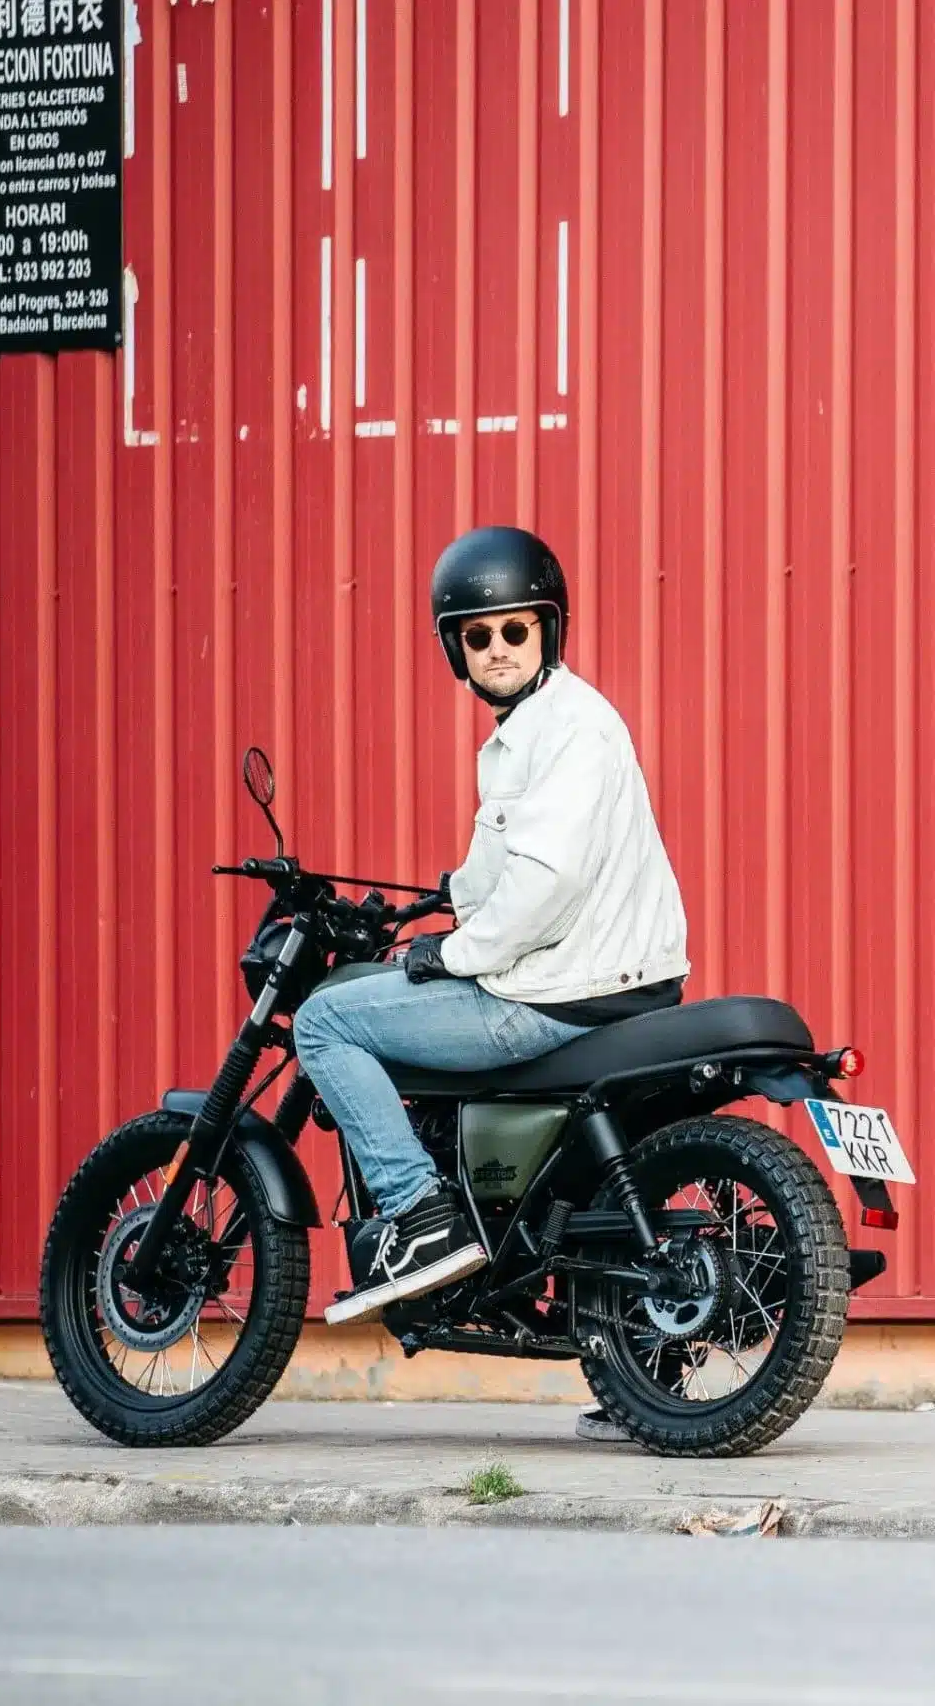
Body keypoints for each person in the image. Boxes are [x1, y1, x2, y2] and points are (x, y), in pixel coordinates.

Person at [293, 527, 690, 1446]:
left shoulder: (569, 726)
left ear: (548, 631)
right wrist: (430, 916)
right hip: (608, 976)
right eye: (480, 636)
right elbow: (496, 871)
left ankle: (420, 1217)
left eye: (516, 630)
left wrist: (459, 953)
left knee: (324, 1023)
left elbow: (543, 886)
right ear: (455, 650)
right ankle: (630, 1358)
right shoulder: (531, 736)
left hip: (558, 985)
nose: (500, 649)